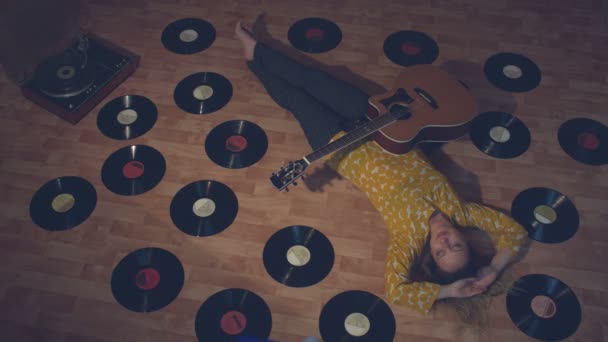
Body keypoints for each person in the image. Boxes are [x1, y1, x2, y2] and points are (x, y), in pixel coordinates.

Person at [235, 20, 528, 316]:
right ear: (466, 240)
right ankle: (259, 51)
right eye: (456, 246)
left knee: (295, 100)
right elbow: (515, 233)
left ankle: (253, 58)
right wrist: (492, 269)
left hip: (337, 143)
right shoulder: (462, 211)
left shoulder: (408, 239)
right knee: (312, 78)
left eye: (440, 252)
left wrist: (448, 291)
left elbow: (396, 291)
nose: (445, 241)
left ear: (431, 257)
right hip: (382, 120)